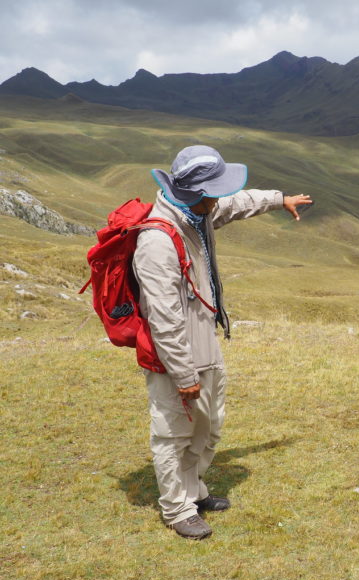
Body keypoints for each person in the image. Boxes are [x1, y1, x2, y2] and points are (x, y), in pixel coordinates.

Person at [133, 145, 311, 539]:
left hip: (205, 337)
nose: (220, 199)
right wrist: (182, 374)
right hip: (174, 352)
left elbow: (239, 202)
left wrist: (280, 200)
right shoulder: (157, 242)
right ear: (198, 193)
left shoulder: (199, 214)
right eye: (215, 191)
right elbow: (163, 319)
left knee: (208, 424)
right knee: (173, 428)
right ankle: (177, 509)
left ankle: (193, 490)